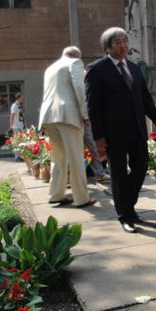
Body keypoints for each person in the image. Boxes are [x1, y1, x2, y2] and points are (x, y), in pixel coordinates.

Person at [85, 27, 156, 233]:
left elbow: (145, 101)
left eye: (125, 41)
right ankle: (125, 216)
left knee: (141, 167)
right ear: (107, 47)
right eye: (118, 42)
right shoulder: (97, 70)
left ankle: (127, 204)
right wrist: (98, 137)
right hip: (114, 133)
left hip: (138, 129)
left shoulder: (134, 68)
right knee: (119, 174)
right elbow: (93, 107)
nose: (123, 46)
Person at [39, 46, 96, 208]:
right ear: (77, 56)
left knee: (58, 158)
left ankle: (56, 195)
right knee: (76, 157)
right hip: (67, 114)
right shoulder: (75, 63)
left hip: (49, 116)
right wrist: (85, 115)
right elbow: (79, 89)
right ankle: (81, 198)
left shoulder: (51, 68)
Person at [9, 93, 26, 161]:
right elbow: (12, 115)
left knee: (21, 141)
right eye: (22, 98)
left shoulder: (19, 105)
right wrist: (11, 125)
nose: (23, 99)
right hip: (16, 126)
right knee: (17, 142)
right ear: (18, 98)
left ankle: (20, 156)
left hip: (21, 126)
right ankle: (17, 157)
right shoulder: (14, 106)